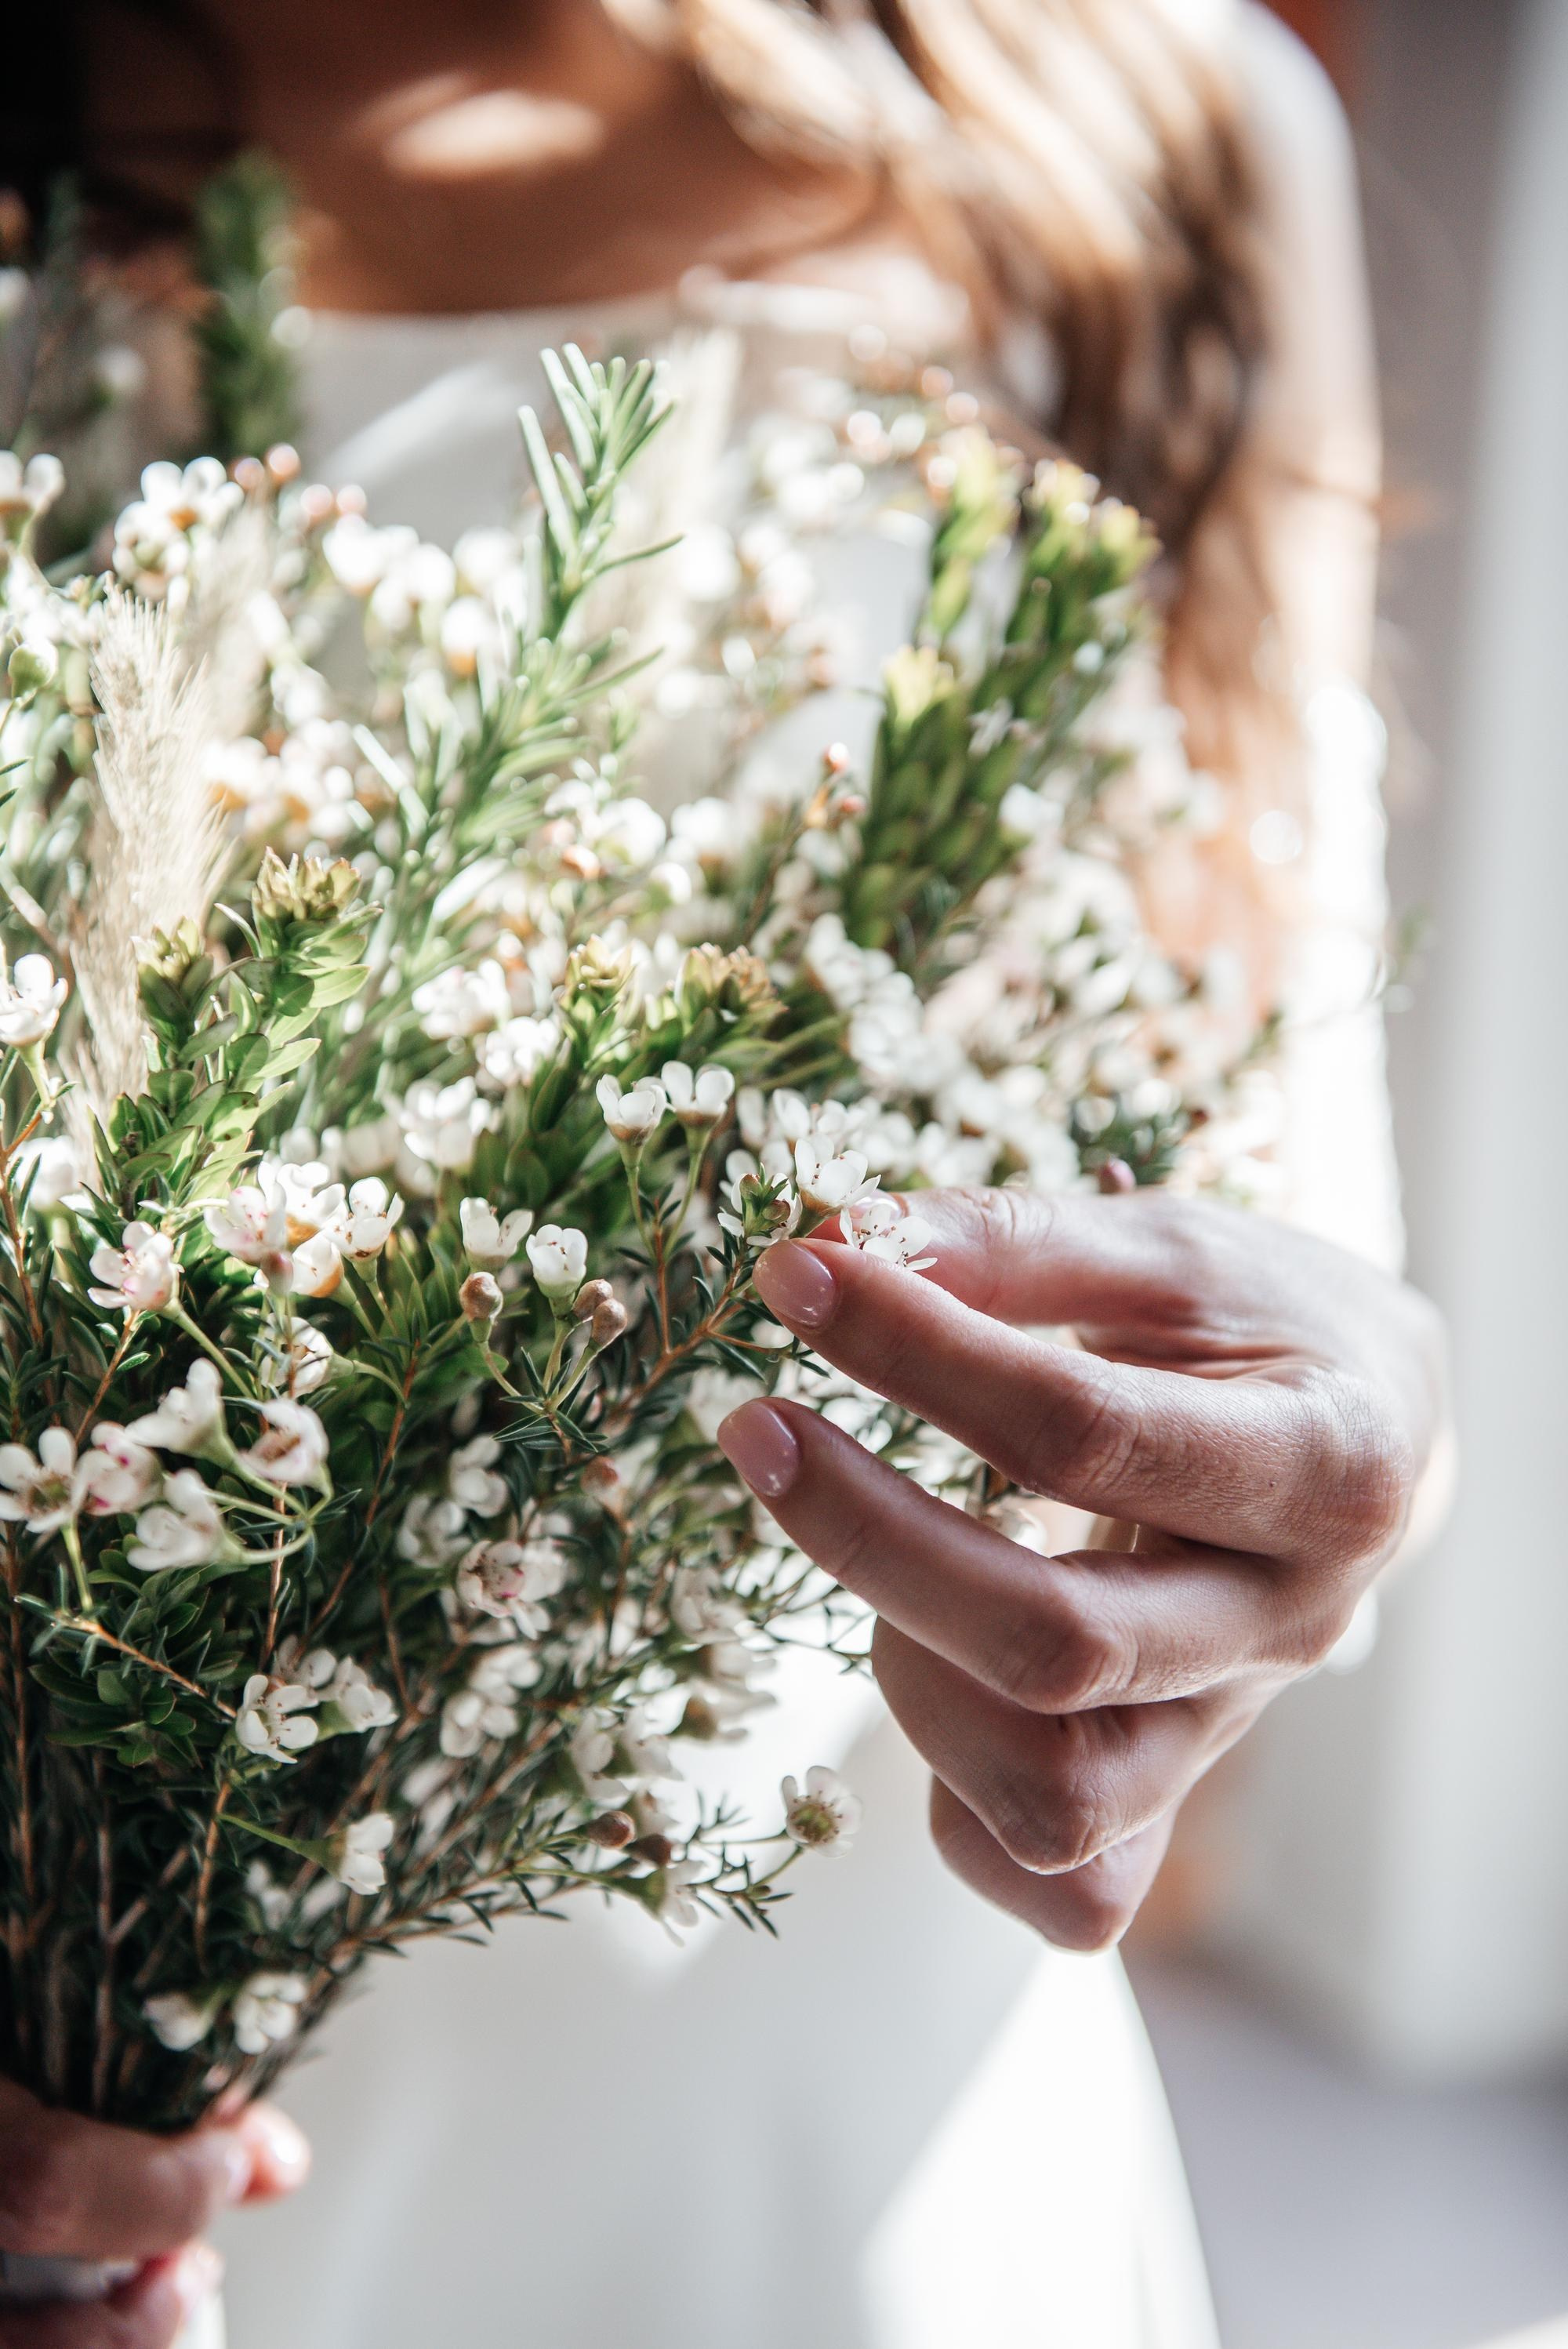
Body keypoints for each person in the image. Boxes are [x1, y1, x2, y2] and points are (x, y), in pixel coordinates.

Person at [0, 5, 1447, 2344]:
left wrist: (1341, 1457)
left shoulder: (1138, 121)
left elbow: (1273, 1217)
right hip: (97, 2113)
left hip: (814, 2084)